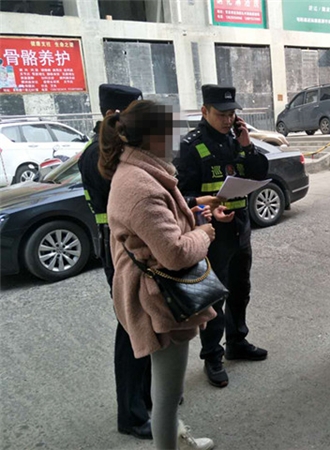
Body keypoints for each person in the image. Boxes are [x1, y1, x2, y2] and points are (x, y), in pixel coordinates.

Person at [99, 100, 216, 450]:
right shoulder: (141, 186)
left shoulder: (143, 172)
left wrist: (193, 211)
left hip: (155, 292)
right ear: (153, 137)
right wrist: (204, 234)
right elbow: (174, 253)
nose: (179, 137)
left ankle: (176, 434)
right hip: (158, 301)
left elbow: (157, 227)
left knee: (164, 388)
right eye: (172, 130)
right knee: (167, 395)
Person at [177, 85, 269, 388]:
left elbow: (259, 173)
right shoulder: (192, 146)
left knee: (241, 289)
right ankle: (212, 356)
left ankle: (237, 342)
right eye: (221, 114)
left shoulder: (237, 140)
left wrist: (248, 146)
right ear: (205, 111)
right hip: (212, 232)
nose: (228, 120)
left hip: (240, 228)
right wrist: (208, 208)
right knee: (214, 296)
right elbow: (182, 196)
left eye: (232, 114)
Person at [77, 84, 154, 440]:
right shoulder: (100, 154)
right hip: (119, 248)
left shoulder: (116, 149)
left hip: (129, 243)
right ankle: (131, 414)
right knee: (131, 327)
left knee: (147, 321)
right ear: (113, 115)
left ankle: (149, 397)